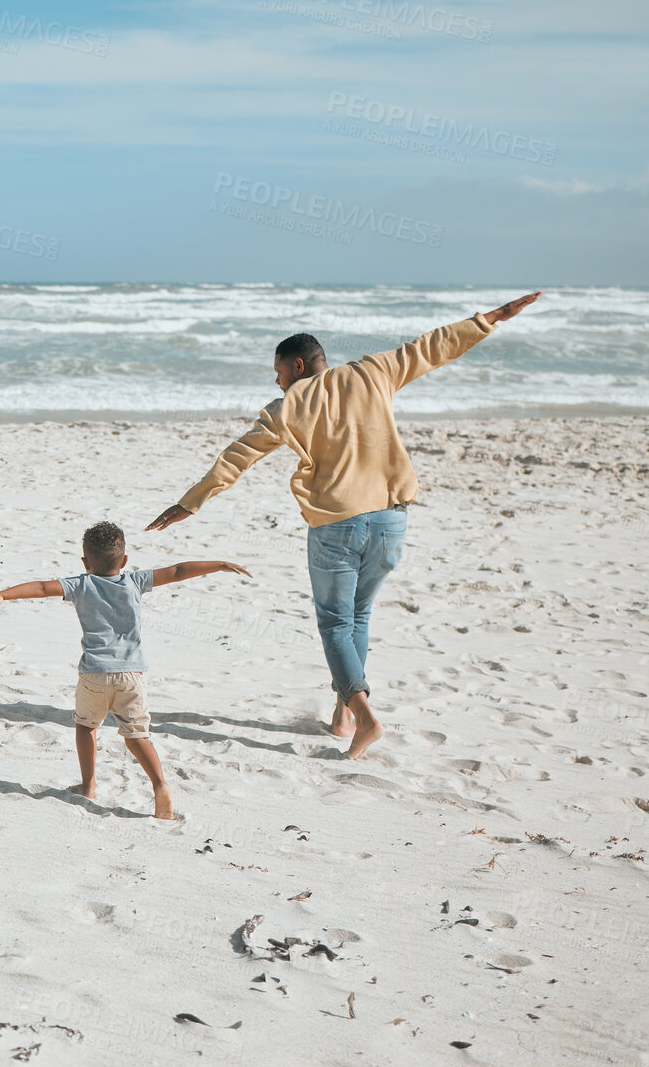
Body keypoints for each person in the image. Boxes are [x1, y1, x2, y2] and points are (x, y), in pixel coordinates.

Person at [145, 292, 542, 759]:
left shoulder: (285, 409)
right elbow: (433, 346)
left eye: (277, 374)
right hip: (393, 521)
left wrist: (190, 502)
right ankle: (343, 715)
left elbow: (238, 456)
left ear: (297, 366)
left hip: (336, 525)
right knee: (359, 616)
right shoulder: (374, 372)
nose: (276, 384)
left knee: (335, 622)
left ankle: (367, 717)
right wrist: (491, 318)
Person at [0, 521, 250, 820]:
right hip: (132, 676)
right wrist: (218, 564)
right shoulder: (134, 581)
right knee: (137, 736)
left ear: (85, 563)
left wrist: (4, 594)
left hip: (94, 674)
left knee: (86, 727)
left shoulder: (80, 584)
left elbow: (43, 587)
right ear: (124, 561)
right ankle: (160, 784)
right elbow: (177, 571)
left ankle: (88, 785)